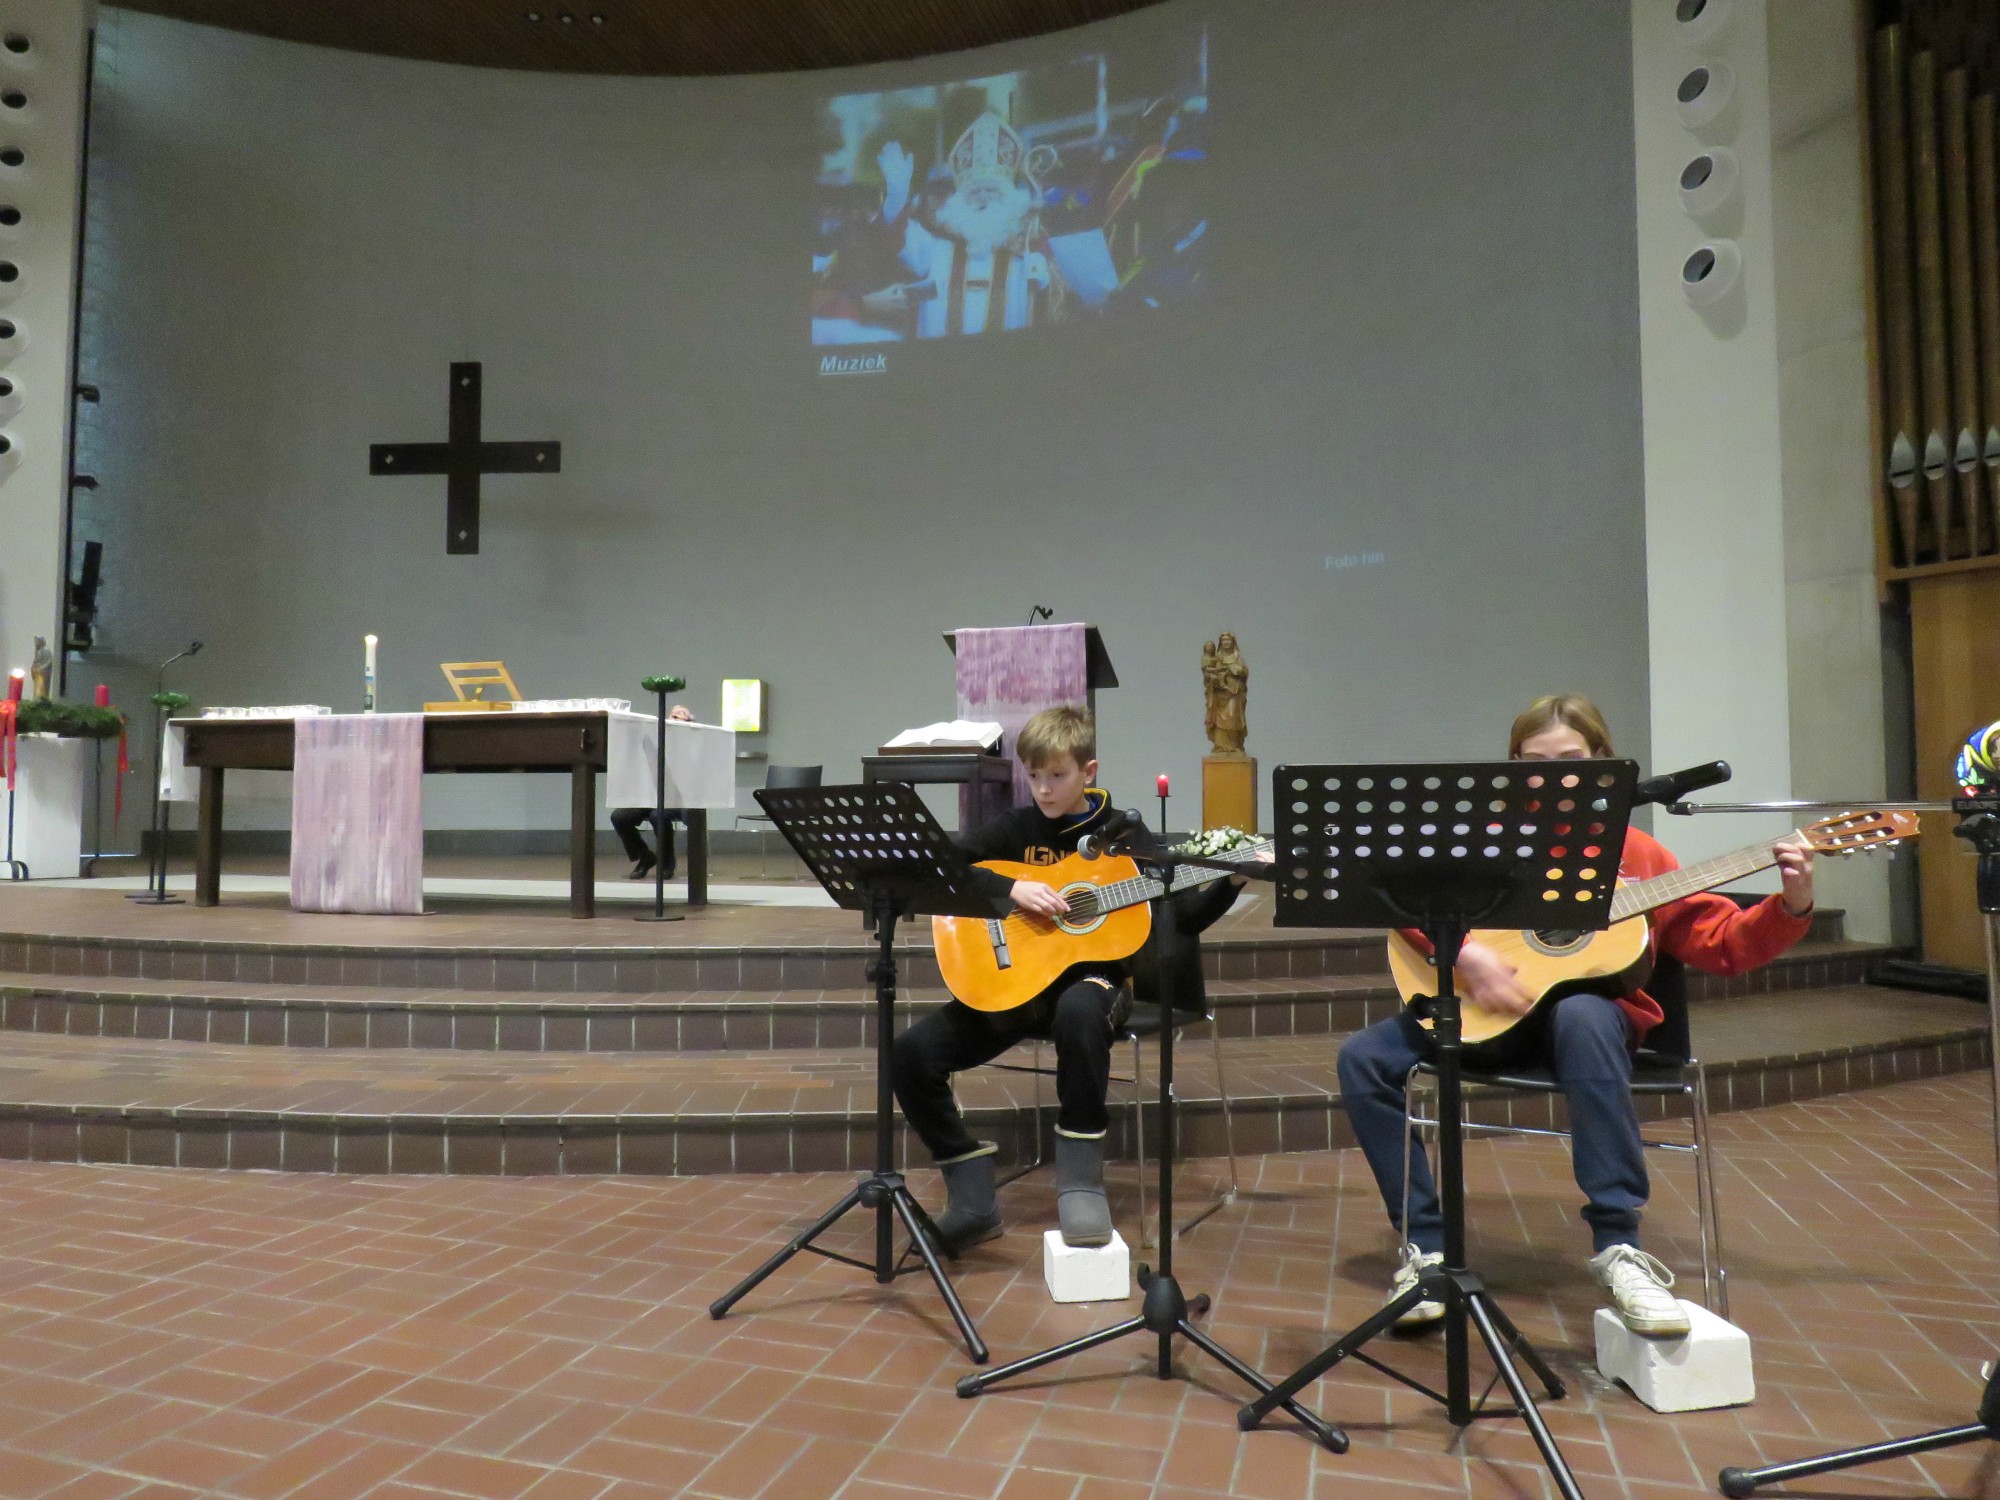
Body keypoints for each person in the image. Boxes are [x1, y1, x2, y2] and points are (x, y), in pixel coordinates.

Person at [1335, 694, 1817, 1337]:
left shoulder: (1639, 854)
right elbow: (1402, 897)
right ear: (1512, 769)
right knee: (1362, 1058)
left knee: (1585, 1015)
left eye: (1573, 760)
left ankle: (1620, 1249)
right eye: (1536, 763)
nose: (1556, 776)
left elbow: (1723, 944)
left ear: (1603, 761)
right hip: (1482, 1017)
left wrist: (1792, 901)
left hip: (1583, 1035)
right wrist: (1467, 952)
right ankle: (1428, 1250)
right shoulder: (1484, 840)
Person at [891, 704, 1256, 1251]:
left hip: (1097, 986)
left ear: (1089, 772)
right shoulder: (1015, 828)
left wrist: (1230, 881)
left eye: (1056, 776)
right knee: (911, 1055)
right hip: (1016, 983)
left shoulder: (1124, 836)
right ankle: (970, 1192)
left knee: (1080, 1012)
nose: (1043, 789)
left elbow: (1187, 921)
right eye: (1034, 776)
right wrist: (1009, 890)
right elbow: (940, 866)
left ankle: (1082, 1183)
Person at [865, 114, 1059, 339]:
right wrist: (897, 195)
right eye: (975, 193)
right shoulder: (935, 251)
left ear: (1011, 203)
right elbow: (892, 237)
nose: (983, 199)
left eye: (992, 192)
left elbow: (1057, 304)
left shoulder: (1027, 251)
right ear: (958, 204)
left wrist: (1038, 259)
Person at [610, 703, 693, 880]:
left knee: (658, 816)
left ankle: (667, 862)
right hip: (650, 797)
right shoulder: (656, 741)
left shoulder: (692, 744)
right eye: (673, 714)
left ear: (689, 720)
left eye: (681, 714)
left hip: (679, 800)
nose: (675, 717)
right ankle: (645, 856)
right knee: (619, 817)